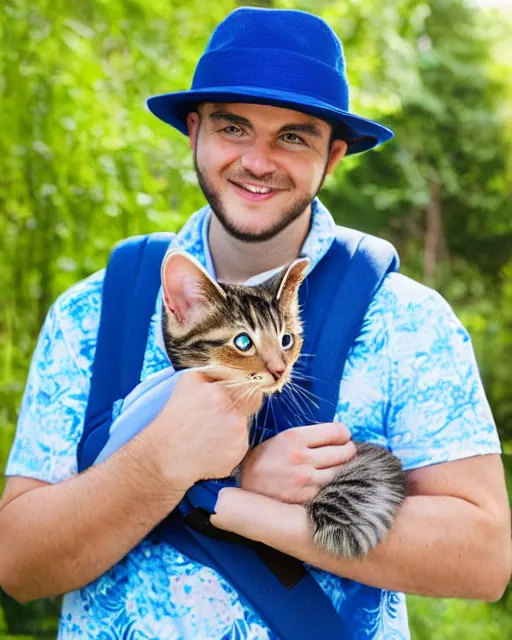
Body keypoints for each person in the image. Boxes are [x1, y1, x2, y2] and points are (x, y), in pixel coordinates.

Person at [0, 6, 510, 640]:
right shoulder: (90, 312)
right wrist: (165, 460)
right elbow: (16, 565)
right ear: (194, 133)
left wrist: (238, 497)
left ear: (333, 157)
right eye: (233, 127)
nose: (259, 161)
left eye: (293, 136)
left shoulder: (409, 321)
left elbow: (485, 559)